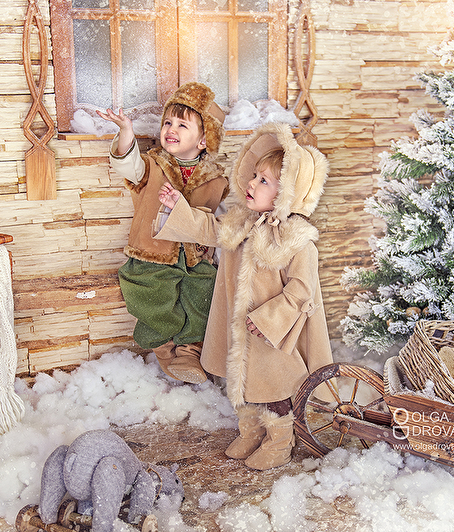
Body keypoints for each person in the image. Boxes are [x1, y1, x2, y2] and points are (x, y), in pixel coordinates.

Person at [155, 122, 333, 470]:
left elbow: (301, 290)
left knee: (274, 387)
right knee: (243, 380)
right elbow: (210, 229)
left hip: (274, 335)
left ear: (287, 194)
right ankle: (251, 430)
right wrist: (179, 207)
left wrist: (268, 320)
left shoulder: (298, 242)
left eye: (264, 181)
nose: (251, 184)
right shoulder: (242, 223)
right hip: (241, 328)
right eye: (253, 176)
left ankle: (279, 441)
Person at [97, 83, 228, 384]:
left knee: (204, 293)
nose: (171, 129)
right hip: (153, 253)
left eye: (183, 125)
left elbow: (220, 218)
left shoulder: (216, 180)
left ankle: (190, 349)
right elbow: (128, 165)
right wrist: (126, 131)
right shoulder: (153, 165)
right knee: (152, 296)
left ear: (204, 139)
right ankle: (164, 346)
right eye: (168, 122)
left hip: (194, 257)